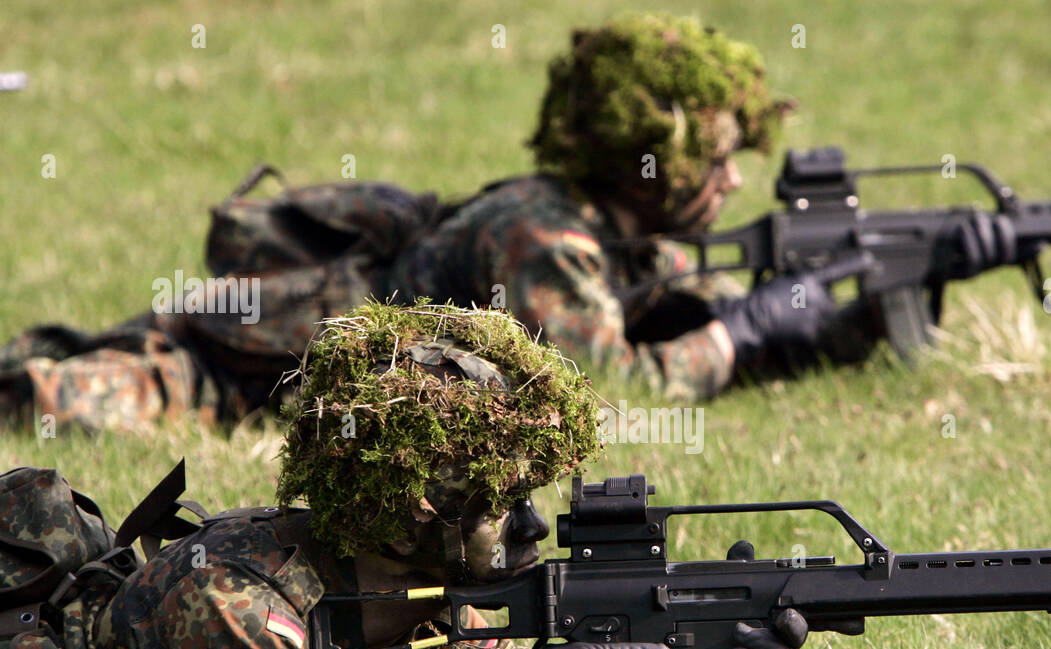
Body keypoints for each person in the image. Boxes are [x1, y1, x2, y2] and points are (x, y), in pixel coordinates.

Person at [3, 303, 808, 649]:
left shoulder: (437, 604)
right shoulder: (230, 599)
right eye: (508, 501)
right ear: (417, 510)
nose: (535, 528)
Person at [0, 13, 863, 432]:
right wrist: (742, 336)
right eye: (715, 163)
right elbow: (615, 390)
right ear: (649, 159)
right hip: (281, 362)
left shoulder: (618, 226)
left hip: (302, 328)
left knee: (97, 345)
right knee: (85, 392)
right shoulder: (547, 235)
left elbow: (673, 301)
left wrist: (817, 323)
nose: (736, 179)